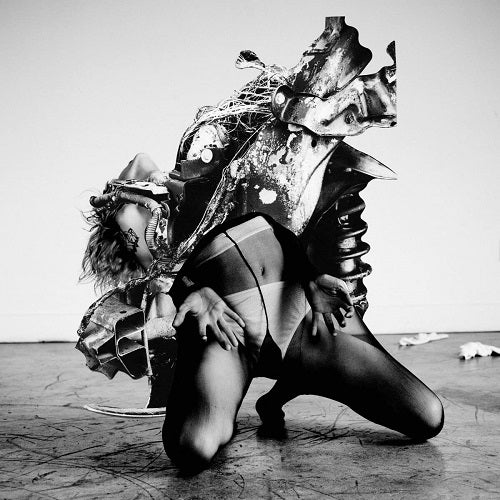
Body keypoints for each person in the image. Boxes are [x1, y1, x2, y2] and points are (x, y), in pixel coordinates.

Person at [82, 153, 444, 472]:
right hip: (232, 334)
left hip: (303, 316)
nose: (161, 175)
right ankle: (244, 401)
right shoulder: (141, 220)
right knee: (191, 449)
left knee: (427, 416)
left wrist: (312, 277)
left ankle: (292, 382)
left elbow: (281, 234)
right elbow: (160, 271)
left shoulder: (223, 179)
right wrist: (196, 292)